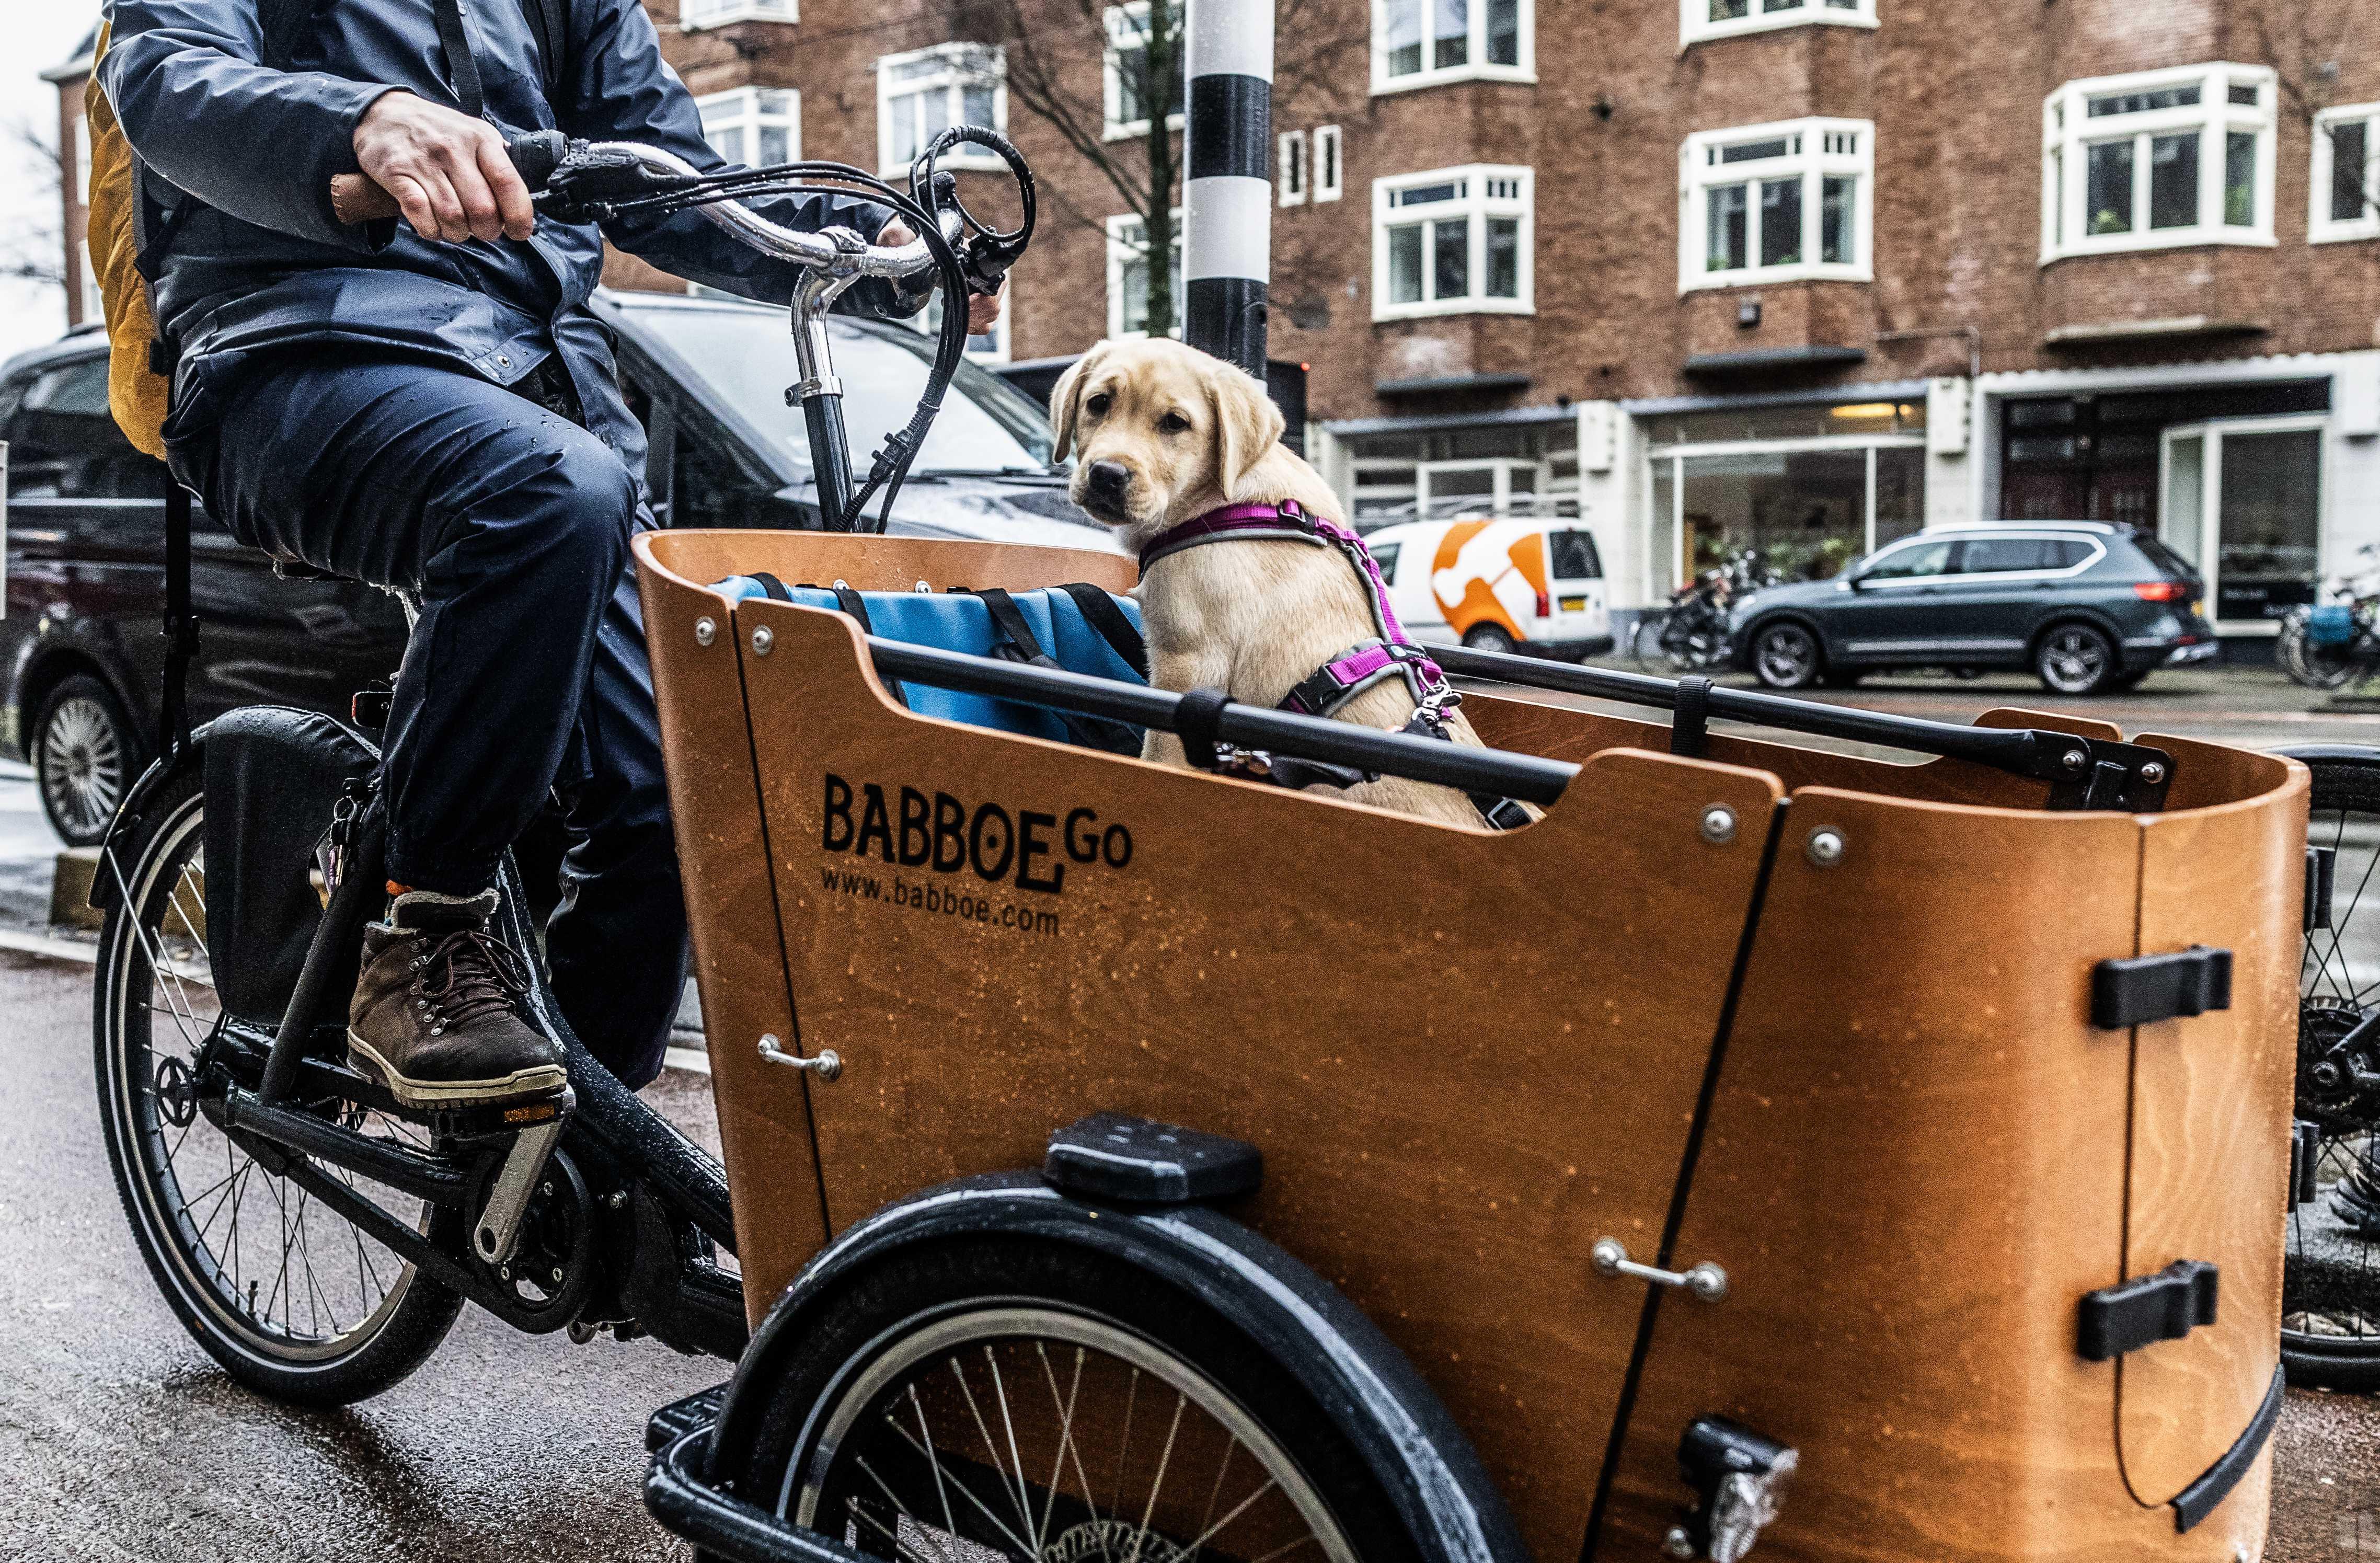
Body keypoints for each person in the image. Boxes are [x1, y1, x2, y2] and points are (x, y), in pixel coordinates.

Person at [102, 0, 1002, 1104]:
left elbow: (666, 170)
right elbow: (165, 73)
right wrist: (364, 121)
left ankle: (568, 1190)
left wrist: (874, 242)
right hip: (296, 345)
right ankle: (421, 934)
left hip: (537, 372)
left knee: (679, 781)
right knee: (544, 490)